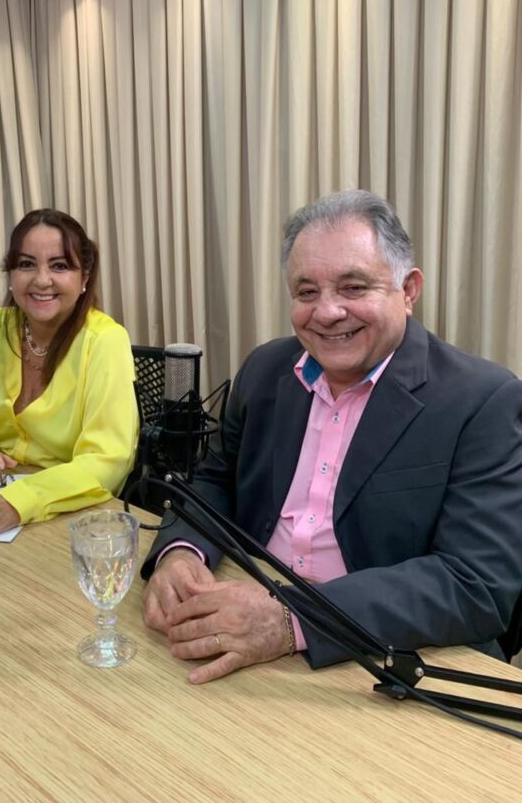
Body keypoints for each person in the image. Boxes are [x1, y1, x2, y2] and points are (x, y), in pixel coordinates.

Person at [142, 190, 522, 683]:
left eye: (353, 287)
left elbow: (475, 584)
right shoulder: (265, 369)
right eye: (306, 293)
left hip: (383, 658)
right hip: (239, 609)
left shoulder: (483, 400)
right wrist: (181, 552)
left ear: (408, 290)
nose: (327, 312)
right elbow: (214, 481)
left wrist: (291, 619)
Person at [0, 208, 139, 543]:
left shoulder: (105, 341)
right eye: (27, 264)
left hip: (65, 519)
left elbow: (107, 461)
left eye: (60, 266)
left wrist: (17, 503)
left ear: (85, 277)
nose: (42, 280)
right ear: (10, 274)